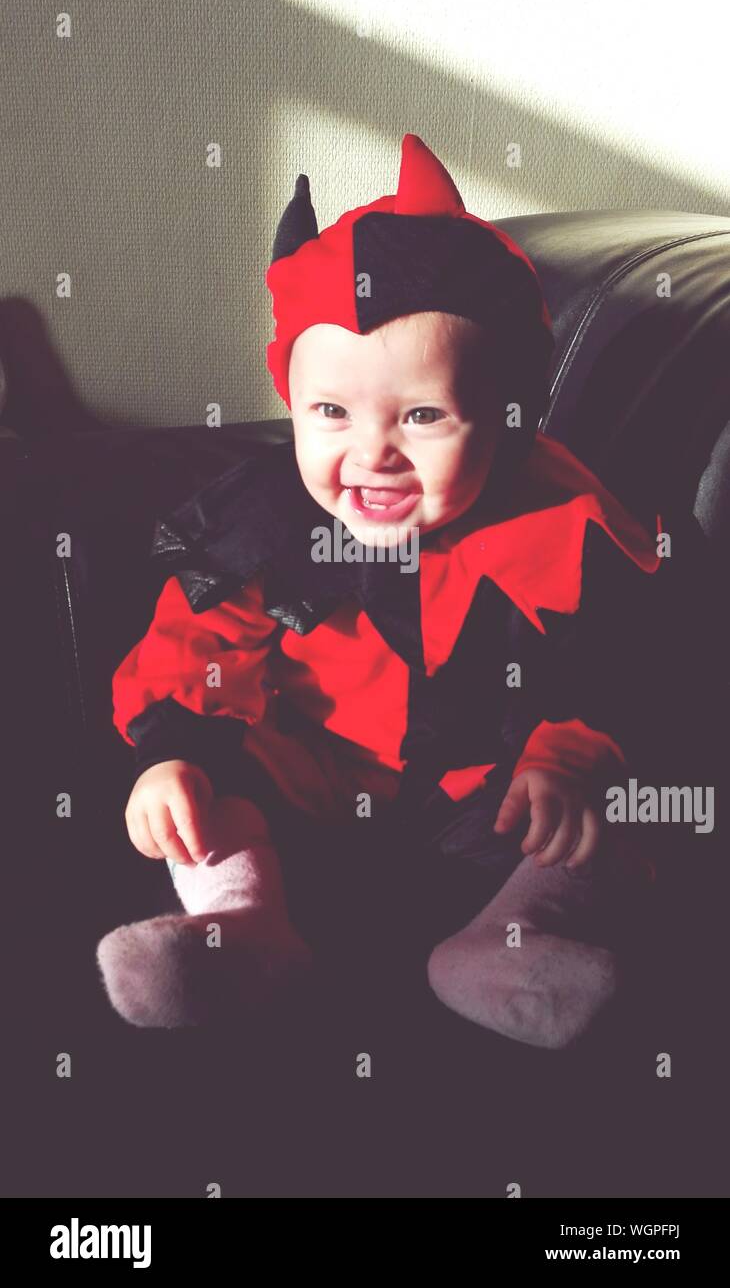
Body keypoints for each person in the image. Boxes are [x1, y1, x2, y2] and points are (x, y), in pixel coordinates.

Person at [96, 134, 709, 1047]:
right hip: (314, 782)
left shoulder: (560, 516)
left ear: (506, 416)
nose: (373, 451)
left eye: (423, 416)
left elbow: (618, 657)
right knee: (212, 794)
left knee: (620, 811)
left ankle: (510, 942)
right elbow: (198, 649)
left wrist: (569, 754)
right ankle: (239, 924)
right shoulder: (263, 519)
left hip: (483, 793)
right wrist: (172, 754)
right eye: (330, 413)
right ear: (291, 404)